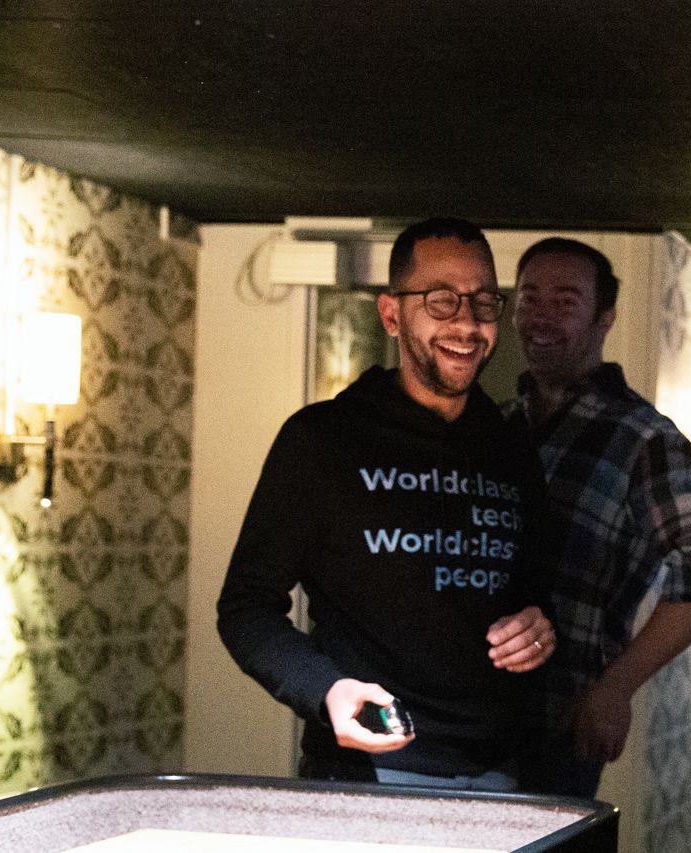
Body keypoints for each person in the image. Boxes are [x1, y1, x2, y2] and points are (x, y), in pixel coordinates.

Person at [217, 217, 556, 791]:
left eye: (483, 302)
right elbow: (246, 609)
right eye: (441, 301)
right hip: (368, 771)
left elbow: (534, 597)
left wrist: (538, 629)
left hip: (500, 772)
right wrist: (327, 690)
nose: (468, 324)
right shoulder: (323, 439)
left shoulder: (511, 446)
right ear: (392, 315)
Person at [508, 237, 691, 798]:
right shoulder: (495, 426)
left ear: (605, 317)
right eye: (528, 298)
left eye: (565, 301)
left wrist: (616, 689)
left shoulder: (642, 438)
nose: (541, 316)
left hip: (559, 727)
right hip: (465, 721)